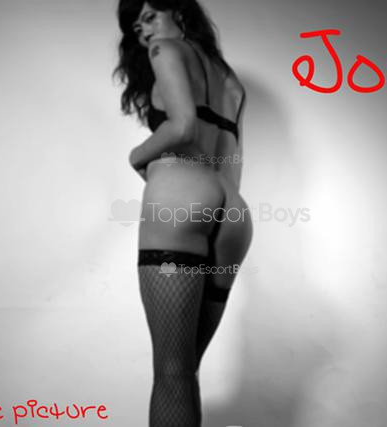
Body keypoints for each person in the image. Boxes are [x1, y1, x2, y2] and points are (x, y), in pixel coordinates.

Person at [114, 1, 253, 425]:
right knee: (185, 371)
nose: (144, 31)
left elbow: (183, 126)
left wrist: (137, 156)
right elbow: (231, 159)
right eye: (136, 26)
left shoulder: (165, 50)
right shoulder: (229, 81)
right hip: (233, 211)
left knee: (171, 375)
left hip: (182, 194)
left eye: (149, 16)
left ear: (176, 10)